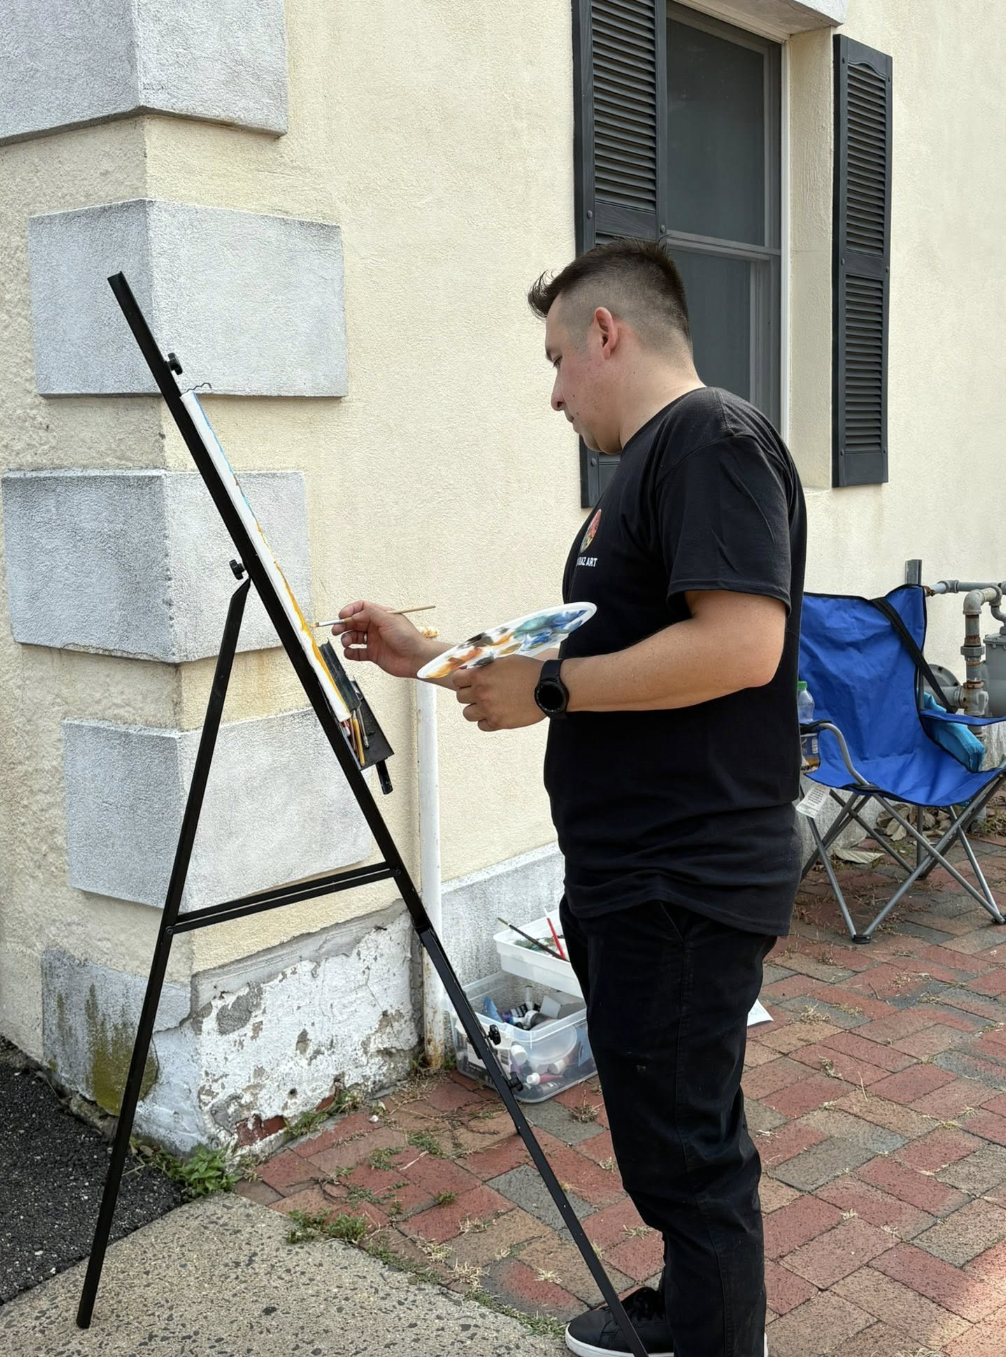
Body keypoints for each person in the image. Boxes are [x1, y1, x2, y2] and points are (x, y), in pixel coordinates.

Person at [333, 239, 806, 1357]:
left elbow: (741, 645)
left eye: (556, 359)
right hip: (631, 871)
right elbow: (568, 656)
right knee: (665, 1137)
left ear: (608, 332)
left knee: (686, 1152)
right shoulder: (638, 476)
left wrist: (546, 690)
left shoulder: (709, 439)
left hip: (683, 874)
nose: (551, 392)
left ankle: (713, 1339)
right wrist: (430, 657)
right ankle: (692, 1308)